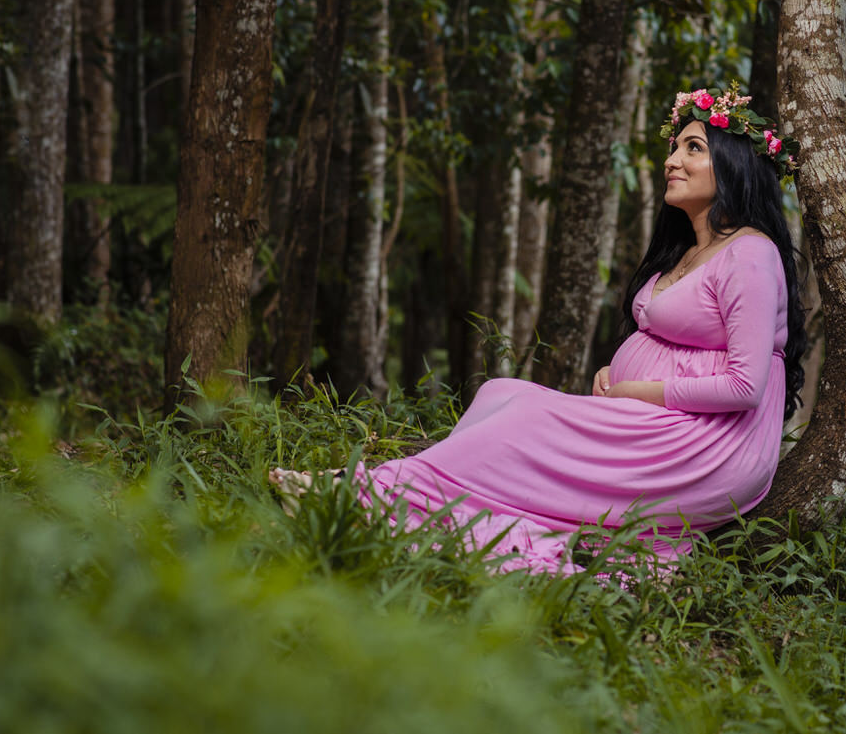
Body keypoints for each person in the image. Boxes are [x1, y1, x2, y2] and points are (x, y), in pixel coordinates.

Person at [271, 82, 807, 574]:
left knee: (521, 419)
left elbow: (744, 386)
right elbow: (673, 339)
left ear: (734, 164)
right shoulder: (693, 248)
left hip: (708, 446)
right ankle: (412, 502)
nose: (672, 160)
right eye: (675, 147)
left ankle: (362, 494)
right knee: (499, 392)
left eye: (693, 148)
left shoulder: (751, 254)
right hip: (657, 417)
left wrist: (635, 390)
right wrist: (612, 372)